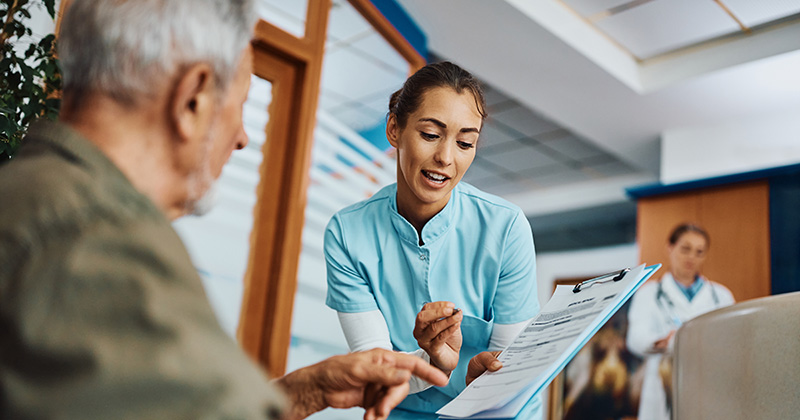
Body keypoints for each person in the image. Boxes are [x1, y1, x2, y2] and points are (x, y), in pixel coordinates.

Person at [0, 1, 449, 419]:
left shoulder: (31, 194)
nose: (241, 138)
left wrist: (303, 392)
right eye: (239, 107)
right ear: (193, 98)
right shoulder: (97, 239)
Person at [324, 62, 541, 419]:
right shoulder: (348, 233)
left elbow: (508, 371)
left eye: (465, 142)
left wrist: (478, 381)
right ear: (395, 129)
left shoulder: (506, 227)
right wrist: (436, 362)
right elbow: (375, 376)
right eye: (429, 134)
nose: (446, 157)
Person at [626, 223, 735, 420]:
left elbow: (733, 341)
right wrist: (658, 342)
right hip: (662, 382)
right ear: (670, 247)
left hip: (709, 382)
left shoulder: (721, 296)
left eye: (699, 252)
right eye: (685, 249)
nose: (691, 257)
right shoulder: (648, 293)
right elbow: (635, 338)